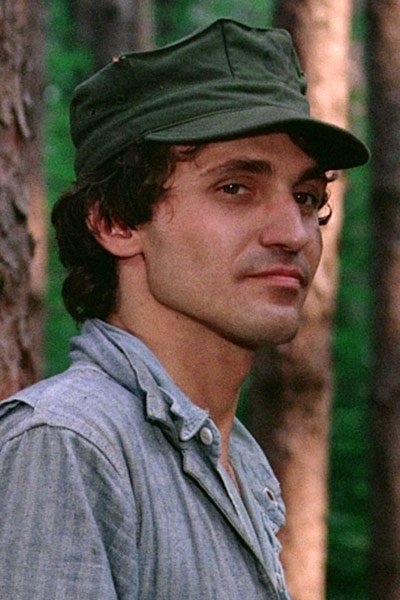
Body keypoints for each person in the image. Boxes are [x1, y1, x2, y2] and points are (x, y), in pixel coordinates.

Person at [0, 18, 368, 600]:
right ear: (115, 222)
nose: (294, 232)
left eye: (306, 197)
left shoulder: (234, 459)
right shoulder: (68, 447)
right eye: (235, 188)